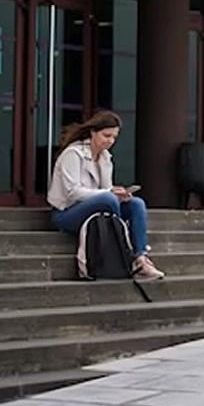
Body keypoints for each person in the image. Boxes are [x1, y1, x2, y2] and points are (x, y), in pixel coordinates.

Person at [47, 111, 164, 281]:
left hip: (99, 208)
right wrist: (108, 193)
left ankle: (141, 258)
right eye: (106, 135)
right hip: (66, 213)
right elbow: (72, 192)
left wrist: (118, 194)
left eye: (114, 137)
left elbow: (105, 189)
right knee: (108, 199)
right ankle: (120, 247)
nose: (110, 141)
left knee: (136, 203)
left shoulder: (105, 158)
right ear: (93, 132)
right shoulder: (73, 154)